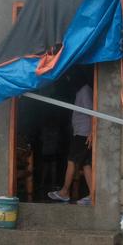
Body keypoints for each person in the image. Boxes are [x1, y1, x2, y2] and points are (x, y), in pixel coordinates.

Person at [48, 72, 93, 205]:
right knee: (85, 164)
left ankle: (65, 192)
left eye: (69, 78)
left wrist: (92, 132)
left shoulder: (84, 90)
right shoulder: (81, 91)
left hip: (83, 133)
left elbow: (92, 112)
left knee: (72, 161)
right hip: (81, 132)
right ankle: (93, 195)